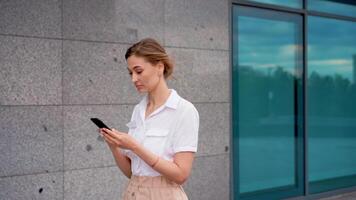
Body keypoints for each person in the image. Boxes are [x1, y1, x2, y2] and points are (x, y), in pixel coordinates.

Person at [99, 38, 199, 200]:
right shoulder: (138, 110)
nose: (133, 79)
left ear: (159, 67)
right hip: (133, 192)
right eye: (130, 73)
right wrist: (114, 147)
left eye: (138, 71)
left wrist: (135, 146)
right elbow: (132, 172)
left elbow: (181, 175)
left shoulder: (184, 110)